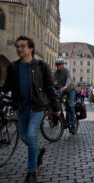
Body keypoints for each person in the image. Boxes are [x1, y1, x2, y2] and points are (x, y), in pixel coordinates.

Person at [3, 36, 60, 183]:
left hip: (37, 107)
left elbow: (50, 88)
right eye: (17, 46)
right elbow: (7, 86)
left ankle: (31, 172)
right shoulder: (13, 67)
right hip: (21, 108)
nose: (19, 49)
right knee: (24, 138)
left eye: (22, 46)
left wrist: (56, 107)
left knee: (31, 134)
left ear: (31, 48)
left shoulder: (41, 65)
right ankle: (39, 150)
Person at [53, 57, 77, 134]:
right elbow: (51, 82)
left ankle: (73, 125)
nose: (60, 65)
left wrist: (66, 86)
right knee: (56, 102)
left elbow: (69, 79)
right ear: (56, 65)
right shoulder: (55, 73)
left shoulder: (66, 71)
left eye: (61, 64)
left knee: (70, 105)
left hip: (70, 89)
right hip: (62, 89)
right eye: (58, 64)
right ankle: (63, 120)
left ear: (63, 64)